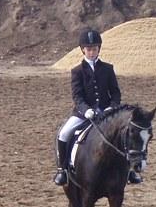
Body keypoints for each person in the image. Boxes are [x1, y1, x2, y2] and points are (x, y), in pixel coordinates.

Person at [53, 28, 141, 186]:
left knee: (126, 134)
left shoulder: (108, 69)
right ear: (83, 50)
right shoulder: (77, 71)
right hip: (84, 113)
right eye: (88, 49)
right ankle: (62, 170)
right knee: (64, 133)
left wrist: (112, 108)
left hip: (107, 113)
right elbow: (77, 96)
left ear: (99, 49)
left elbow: (115, 92)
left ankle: (130, 171)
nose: (92, 52)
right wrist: (86, 109)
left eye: (94, 49)